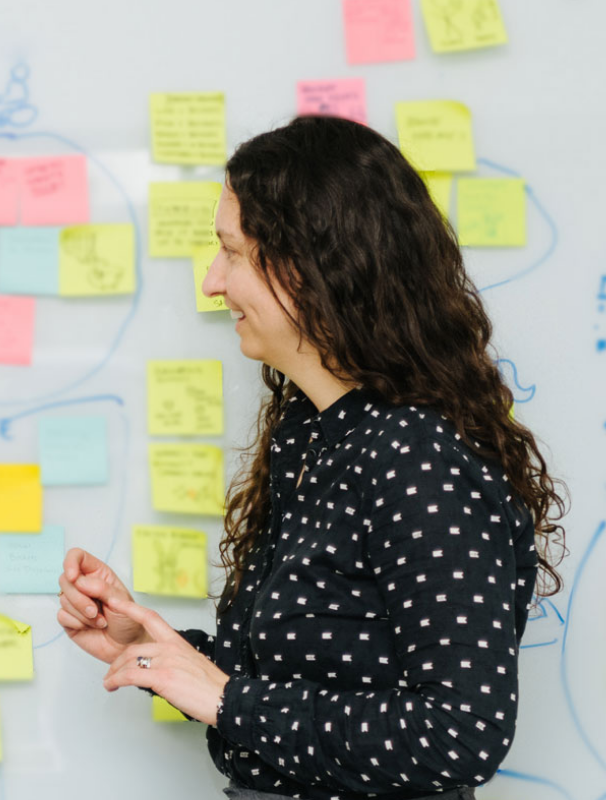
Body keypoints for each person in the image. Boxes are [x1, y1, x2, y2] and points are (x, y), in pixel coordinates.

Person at [56, 116, 566, 800]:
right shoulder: (311, 434)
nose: (212, 282)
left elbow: (460, 733)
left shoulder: (414, 456)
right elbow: (285, 687)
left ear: (308, 266)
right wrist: (151, 649)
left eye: (231, 253)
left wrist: (227, 700)